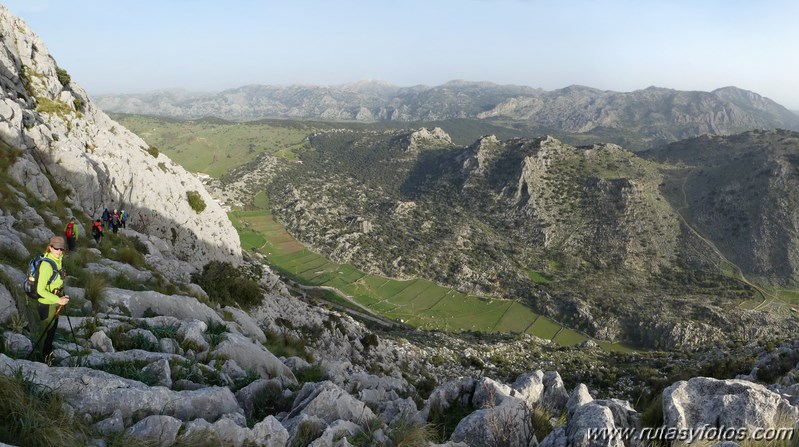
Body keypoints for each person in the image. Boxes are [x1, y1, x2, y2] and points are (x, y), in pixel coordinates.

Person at [34, 236, 70, 362]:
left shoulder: (58, 259)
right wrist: (58, 300)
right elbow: (40, 290)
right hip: (46, 304)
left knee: (52, 330)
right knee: (47, 333)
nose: (59, 251)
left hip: (54, 301)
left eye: (61, 249)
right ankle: (44, 358)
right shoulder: (46, 265)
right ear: (50, 247)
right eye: (56, 248)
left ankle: (48, 352)